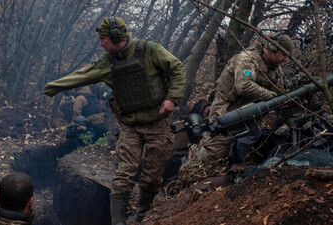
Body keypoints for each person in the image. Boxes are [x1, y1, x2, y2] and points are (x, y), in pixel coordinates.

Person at [44, 16, 185, 225]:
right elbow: (82, 74)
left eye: (104, 39)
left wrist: (172, 98)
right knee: (124, 175)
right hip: (129, 126)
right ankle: (118, 222)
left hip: (158, 123)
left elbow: (177, 69)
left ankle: (141, 217)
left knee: (152, 177)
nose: (101, 44)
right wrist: (52, 87)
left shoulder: (150, 50)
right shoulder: (106, 63)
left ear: (117, 37)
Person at [188, 34, 294, 168]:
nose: (285, 59)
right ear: (272, 48)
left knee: (251, 149)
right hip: (228, 108)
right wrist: (271, 96)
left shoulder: (275, 69)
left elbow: (280, 90)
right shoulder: (247, 60)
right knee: (214, 152)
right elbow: (244, 86)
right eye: (283, 54)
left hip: (252, 113)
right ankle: (194, 155)